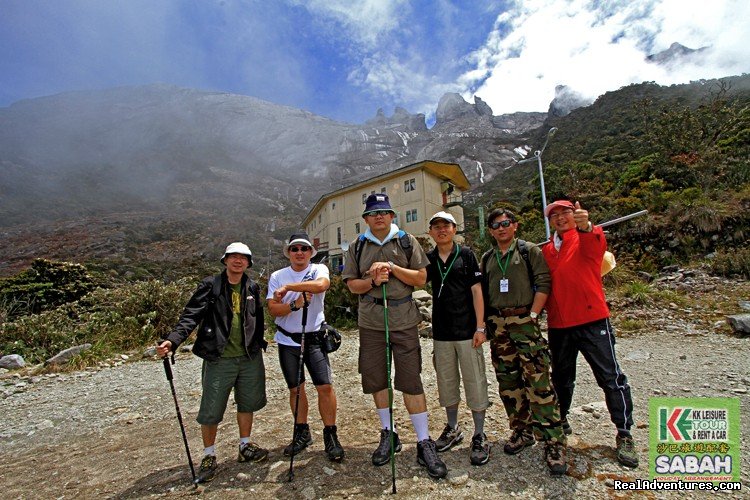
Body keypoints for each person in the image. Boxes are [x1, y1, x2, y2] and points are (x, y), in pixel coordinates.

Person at [342, 193, 447, 479]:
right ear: (365, 218)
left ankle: (424, 440)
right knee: (377, 378)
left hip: (403, 319)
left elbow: (421, 279)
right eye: (374, 213)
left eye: (385, 212)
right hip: (372, 322)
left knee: (410, 379)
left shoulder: (406, 241)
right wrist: (373, 280)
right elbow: (352, 285)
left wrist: (392, 269)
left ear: (391, 216)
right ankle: (389, 433)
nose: (379, 217)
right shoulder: (357, 246)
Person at [157, 242, 268, 484]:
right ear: (225, 260)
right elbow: (191, 315)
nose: (238, 261)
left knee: (247, 401)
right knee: (211, 408)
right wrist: (173, 341)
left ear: (249, 263)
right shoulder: (211, 285)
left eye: (243, 258)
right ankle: (209, 455)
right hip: (219, 357)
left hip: (249, 357)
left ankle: (245, 445)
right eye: (233, 257)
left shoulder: (252, 286)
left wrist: (260, 342)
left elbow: (257, 318)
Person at [542, 200, 638, 468]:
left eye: (566, 213)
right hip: (559, 325)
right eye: (555, 215)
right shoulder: (548, 250)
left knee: (609, 376)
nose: (560, 218)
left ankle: (624, 432)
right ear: (550, 221)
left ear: (575, 216)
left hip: (592, 319)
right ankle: (560, 422)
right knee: (561, 378)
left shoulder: (585, 237)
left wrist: (586, 226)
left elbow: (597, 245)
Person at [480, 208, 568, 476]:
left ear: (514, 226)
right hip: (499, 326)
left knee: (539, 381)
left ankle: (554, 442)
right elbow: (483, 291)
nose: (501, 228)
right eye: (495, 225)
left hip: (525, 322)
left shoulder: (529, 251)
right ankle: (521, 430)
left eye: (506, 223)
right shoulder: (488, 258)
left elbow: (543, 282)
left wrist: (533, 314)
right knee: (508, 382)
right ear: (491, 231)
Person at [266, 232, 345, 462]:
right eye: (294, 249)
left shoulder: (318, 270)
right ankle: (302, 432)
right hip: (288, 340)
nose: (299, 253)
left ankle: (331, 434)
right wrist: (294, 304)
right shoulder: (277, 276)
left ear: (311, 252)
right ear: (288, 253)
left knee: (325, 387)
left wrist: (292, 286)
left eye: (303, 249)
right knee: (296, 389)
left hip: (314, 339)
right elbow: (273, 309)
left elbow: (322, 285)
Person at [426, 211, 491, 465]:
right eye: (436, 226)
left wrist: (480, 327)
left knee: (475, 380)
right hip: (441, 333)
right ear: (430, 232)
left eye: (446, 226)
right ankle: (453, 428)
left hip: (467, 331)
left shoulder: (466, 255)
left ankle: (479, 433)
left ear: (454, 229)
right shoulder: (429, 259)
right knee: (447, 381)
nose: (441, 230)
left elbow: (477, 291)